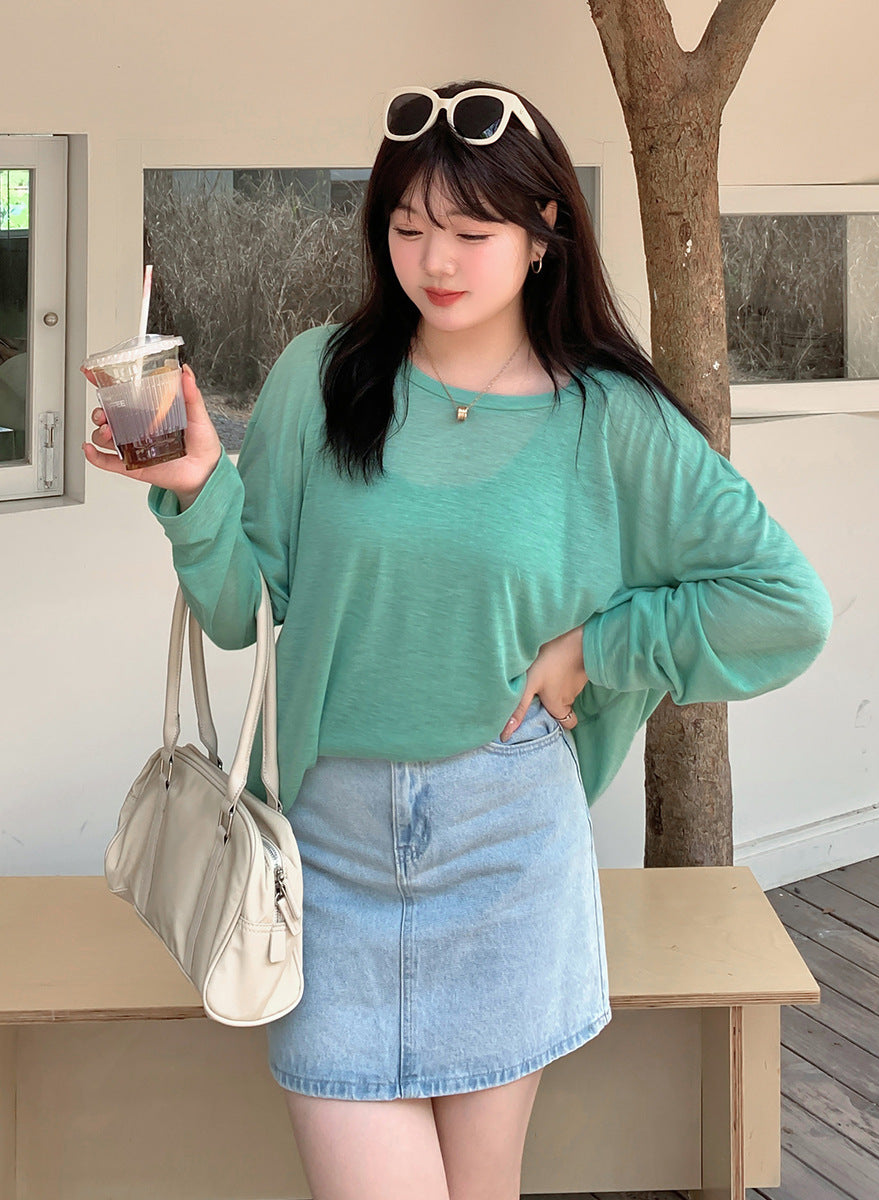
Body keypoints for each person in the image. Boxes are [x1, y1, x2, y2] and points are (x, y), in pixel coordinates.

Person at [84, 80, 833, 1200]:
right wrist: (194, 490)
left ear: (544, 232)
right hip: (326, 853)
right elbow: (244, 613)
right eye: (407, 227)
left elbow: (785, 604)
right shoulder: (320, 376)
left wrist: (597, 650)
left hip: (507, 846)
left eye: (471, 232)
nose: (434, 261)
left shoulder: (612, 420)